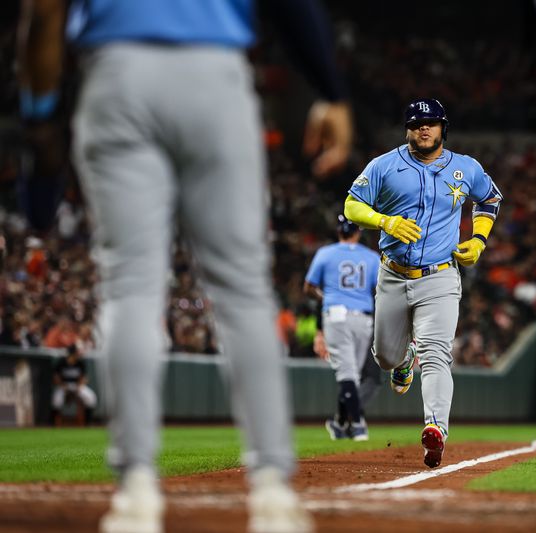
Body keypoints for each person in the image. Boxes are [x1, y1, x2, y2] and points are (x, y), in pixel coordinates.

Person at [17, 1, 353, 532]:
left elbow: (44, 12)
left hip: (116, 70)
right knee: (242, 290)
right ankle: (271, 493)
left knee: (129, 285)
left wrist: (39, 115)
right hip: (213, 74)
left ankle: (135, 494)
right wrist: (330, 89)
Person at [343, 98, 503, 468]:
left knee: (437, 353)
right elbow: (352, 206)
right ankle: (403, 360)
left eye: (430, 123)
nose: (424, 129)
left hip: (441, 277)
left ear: (443, 128)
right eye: (416, 124)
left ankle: (436, 429)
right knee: (384, 357)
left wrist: (478, 240)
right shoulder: (384, 165)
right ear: (407, 130)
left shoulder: (465, 168)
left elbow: (491, 198)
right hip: (393, 274)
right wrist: (385, 221)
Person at [303, 214, 380, 441]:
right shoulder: (372, 257)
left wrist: (325, 297)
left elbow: (308, 288)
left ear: (339, 232)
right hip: (364, 318)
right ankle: (346, 423)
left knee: (348, 373)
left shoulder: (326, 254)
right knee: (352, 373)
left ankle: (354, 424)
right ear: (358, 232)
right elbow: (379, 291)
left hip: (336, 315)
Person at [52, 343, 97, 426]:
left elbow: (84, 378)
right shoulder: (61, 362)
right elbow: (56, 378)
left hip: (77, 386)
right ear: (71, 354)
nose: (77, 355)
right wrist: (63, 386)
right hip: (64, 386)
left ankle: (88, 423)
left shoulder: (80, 363)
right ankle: (54, 424)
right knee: (56, 400)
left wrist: (79, 386)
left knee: (91, 398)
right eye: (76, 353)